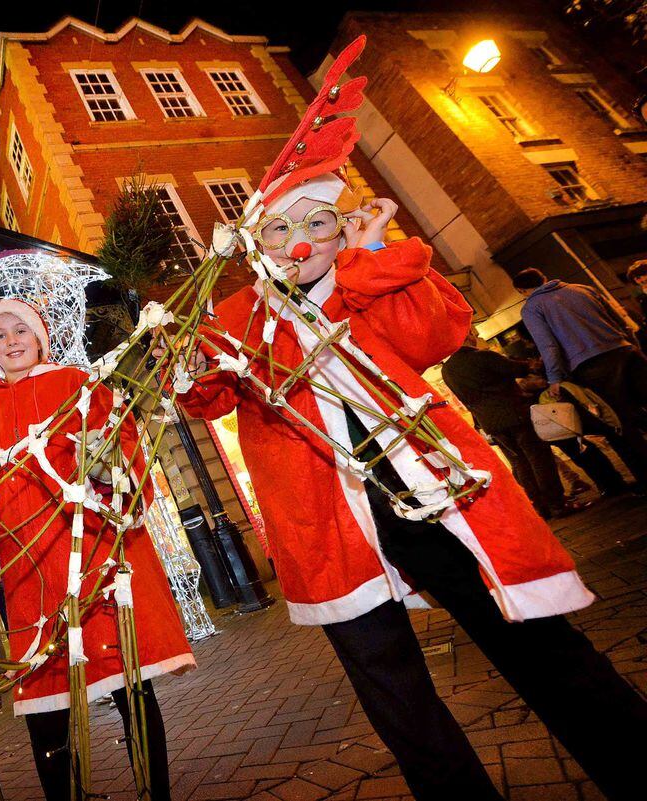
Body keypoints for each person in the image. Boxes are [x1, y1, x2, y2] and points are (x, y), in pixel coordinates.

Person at [177, 35, 647, 801]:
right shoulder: (235, 316)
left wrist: (373, 257)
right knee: (394, 691)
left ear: (338, 230)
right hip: (326, 522)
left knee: (536, 641)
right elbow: (205, 395)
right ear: (254, 243)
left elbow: (436, 335)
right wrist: (189, 365)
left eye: (318, 226)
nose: (300, 242)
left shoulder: (364, 279)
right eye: (279, 230)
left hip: (431, 494)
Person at [0, 298, 195, 801]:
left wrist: (111, 471)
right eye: (0, 335)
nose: (12, 340)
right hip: (31, 582)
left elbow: (122, 445)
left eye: (22, 330)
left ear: (41, 338)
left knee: (131, 688)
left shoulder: (79, 385)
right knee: (46, 709)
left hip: (96, 565)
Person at [514, 267, 647, 487]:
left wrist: (554, 378)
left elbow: (549, 346)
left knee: (619, 426)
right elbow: (620, 321)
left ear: (522, 291)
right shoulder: (584, 289)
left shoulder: (532, 307)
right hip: (626, 353)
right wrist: (633, 347)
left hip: (592, 368)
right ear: (545, 278)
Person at [440, 330, 588, 518]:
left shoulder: (448, 370)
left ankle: (541, 508)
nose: (475, 337)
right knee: (540, 459)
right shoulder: (482, 356)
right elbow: (519, 369)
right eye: (472, 334)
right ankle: (557, 504)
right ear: (467, 337)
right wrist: (537, 363)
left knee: (521, 464)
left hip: (491, 424)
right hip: (515, 415)